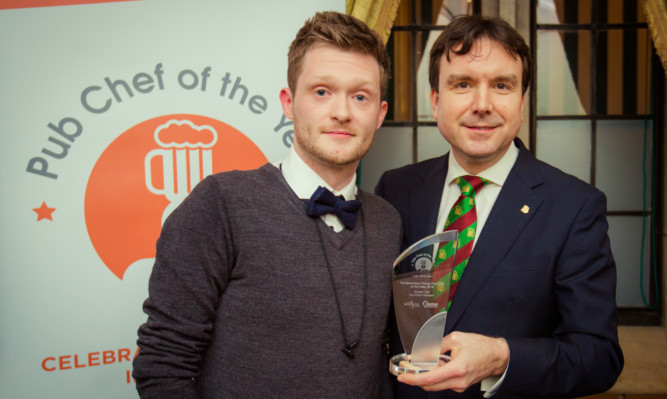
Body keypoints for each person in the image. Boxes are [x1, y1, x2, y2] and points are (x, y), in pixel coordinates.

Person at [133, 11, 402, 398]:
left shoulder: (388, 221)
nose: (342, 112)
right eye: (322, 91)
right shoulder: (220, 204)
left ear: (379, 115)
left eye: (361, 96)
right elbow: (162, 366)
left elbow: (377, 361)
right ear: (289, 102)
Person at [375, 15, 623, 398]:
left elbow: (600, 356)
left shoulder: (574, 207)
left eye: (502, 85)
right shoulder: (397, 188)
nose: (482, 104)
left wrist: (500, 357)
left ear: (521, 103)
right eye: (463, 84)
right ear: (436, 101)